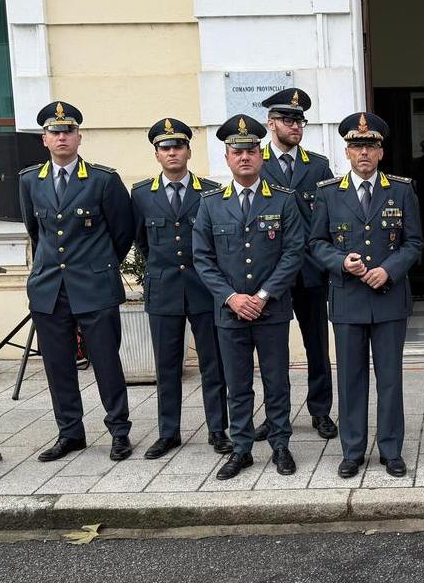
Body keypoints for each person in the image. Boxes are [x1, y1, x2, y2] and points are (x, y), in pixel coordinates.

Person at [18, 101, 136, 463]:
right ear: (44, 140)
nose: (62, 137)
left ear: (79, 136)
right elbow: (35, 232)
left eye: (68, 131)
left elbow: (123, 232)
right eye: (55, 132)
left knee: (106, 362)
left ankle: (119, 431)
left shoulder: (103, 180)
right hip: (50, 289)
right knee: (57, 366)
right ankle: (70, 433)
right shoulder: (29, 180)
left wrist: (97, 266)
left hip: (95, 288)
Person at [310, 112, 423, 478]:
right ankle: (353, 450)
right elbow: (316, 243)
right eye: (357, 146)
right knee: (351, 378)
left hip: (389, 298)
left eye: (370, 146)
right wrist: (343, 262)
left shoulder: (402, 190)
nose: (363, 152)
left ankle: (391, 449)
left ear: (381, 151)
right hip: (348, 299)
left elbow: (414, 242)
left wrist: (388, 269)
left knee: (390, 379)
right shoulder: (329, 193)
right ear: (346, 151)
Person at [192, 114, 303, 480]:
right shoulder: (210, 204)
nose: (245, 158)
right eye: (237, 152)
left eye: (252, 151)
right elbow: (203, 259)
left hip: (270, 310)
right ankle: (241, 449)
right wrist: (231, 298)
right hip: (230, 313)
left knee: (277, 382)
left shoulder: (283, 201)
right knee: (237, 384)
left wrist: (263, 294)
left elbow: (293, 253)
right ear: (227, 157)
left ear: (261, 156)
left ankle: (281, 445)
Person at [130, 118, 231, 459]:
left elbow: (217, 242)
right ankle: (168, 432)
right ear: (157, 154)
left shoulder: (210, 191)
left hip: (204, 290)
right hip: (164, 291)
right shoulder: (142, 194)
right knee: (167, 366)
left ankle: (218, 430)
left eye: (178, 146)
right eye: (165, 147)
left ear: (189, 150)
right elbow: (141, 242)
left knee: (213, 365)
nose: (172, 152)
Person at [254, 88, 337, 442]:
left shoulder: (316, 165)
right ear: (271, 124)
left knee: (317, 344)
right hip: (271, 273)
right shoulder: (255, 161)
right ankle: (277, 416)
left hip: (310, 271)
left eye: (300, 120)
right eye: (289, 120)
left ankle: (320, 411)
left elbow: (329, 218)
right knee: (272, 350)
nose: (296, 126)